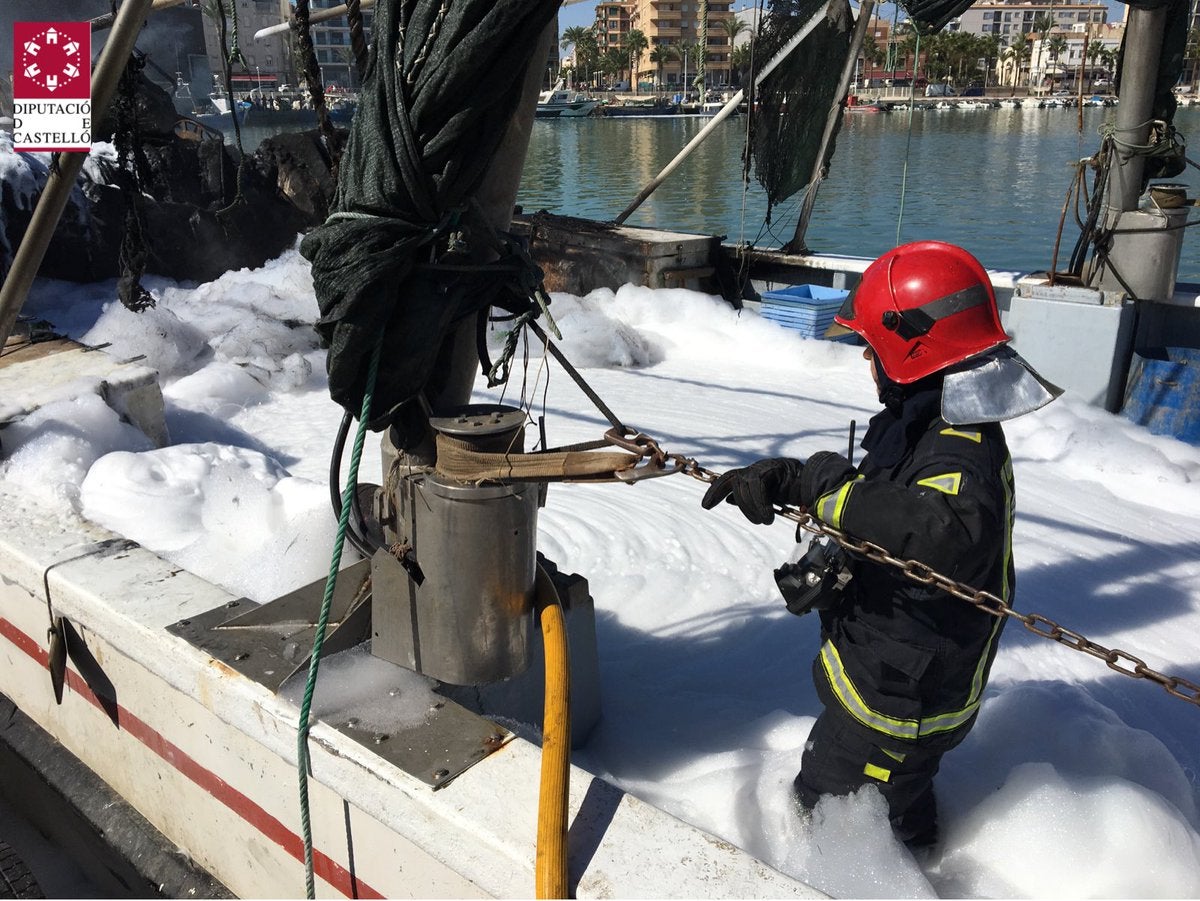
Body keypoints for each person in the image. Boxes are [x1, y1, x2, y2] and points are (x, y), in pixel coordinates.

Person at [701, 240, 1060, 847]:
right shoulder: (930, 424)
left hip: (900, 704)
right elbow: (886, 507)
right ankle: (915, 851)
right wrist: (789, 481)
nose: (867, 364)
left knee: (830, 820)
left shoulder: (958, 453)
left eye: (871, 349)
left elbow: (938, 533)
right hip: (892, 678)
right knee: (899, 803)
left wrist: (823, 486)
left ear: (908, 352)